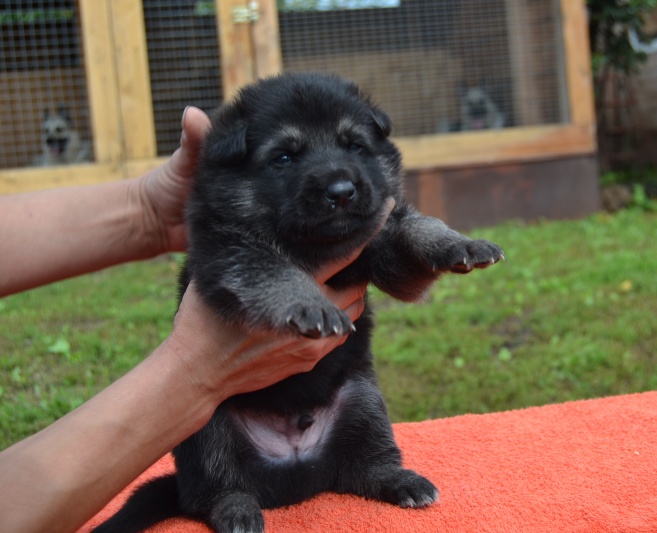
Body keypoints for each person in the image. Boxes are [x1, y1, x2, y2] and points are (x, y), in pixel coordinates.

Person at [0, 106, 394, 533]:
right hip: (241, 428)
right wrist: (195, 373)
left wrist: (149, 209)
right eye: (285, 158)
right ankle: (220, 491)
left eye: (352, 146)